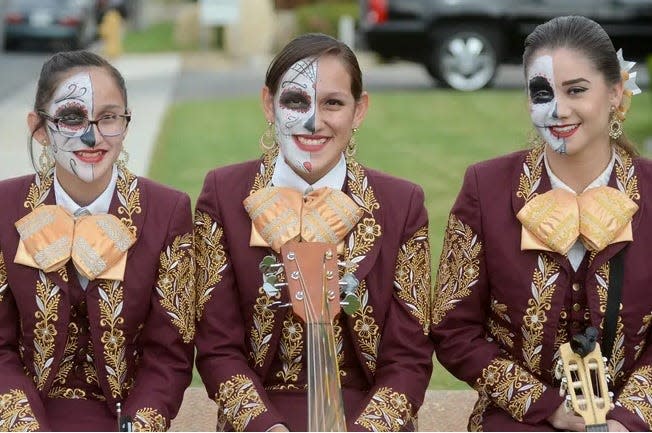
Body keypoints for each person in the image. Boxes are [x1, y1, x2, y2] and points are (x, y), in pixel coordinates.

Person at [194, 33, 434, 431]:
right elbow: (217, 347)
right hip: (258, 417)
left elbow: (409, 357)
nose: (313, 121)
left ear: (360, 110)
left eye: (333, 103)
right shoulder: (223, 194)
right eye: (295, 101)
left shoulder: (401, 203)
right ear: (268, 104)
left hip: (369, 418)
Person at [430, 15, 649, 431]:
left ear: (615, 92)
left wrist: (627, 417)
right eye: (542, 92)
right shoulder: (486, 187)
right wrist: (547, 406)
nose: (558, 109)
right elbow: (453, 328)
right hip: (518, 419)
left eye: (577, 90)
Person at [0, 50, 195, 431]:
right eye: (72, 117)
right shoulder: (3, 208)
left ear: (126, 124)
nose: (93, 135)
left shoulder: (167, 211)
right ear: (39, 128)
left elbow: (168, 355)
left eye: (108, 117)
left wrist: (139, 425)